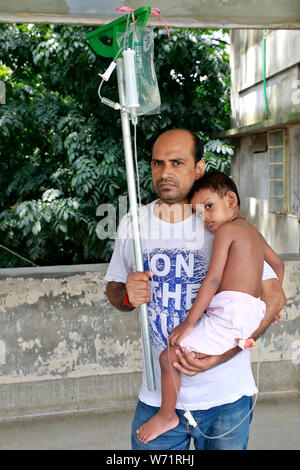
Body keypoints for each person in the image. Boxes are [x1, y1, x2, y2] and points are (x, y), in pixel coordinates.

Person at [105, 129, 286, 450]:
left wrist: (223, 355)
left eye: (177, 163)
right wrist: (127, 296)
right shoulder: (132, 223)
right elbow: (114, 289)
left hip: (226, 399)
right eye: (157, 164)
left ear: (199, 168)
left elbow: (272, 299)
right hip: (158, 396)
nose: (165, 173)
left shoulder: (220, 220)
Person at [136, 171, 284, 444]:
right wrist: (264, 308)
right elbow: (278, 266)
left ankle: (168, 414)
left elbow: (213, 279)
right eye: (198, 212)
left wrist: (189, 323)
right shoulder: (253, 231)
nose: (204, 218)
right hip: (249, 311)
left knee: (169, 357)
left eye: (208, 207)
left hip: (229, 313)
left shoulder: (226, 231)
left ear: (230, 199)